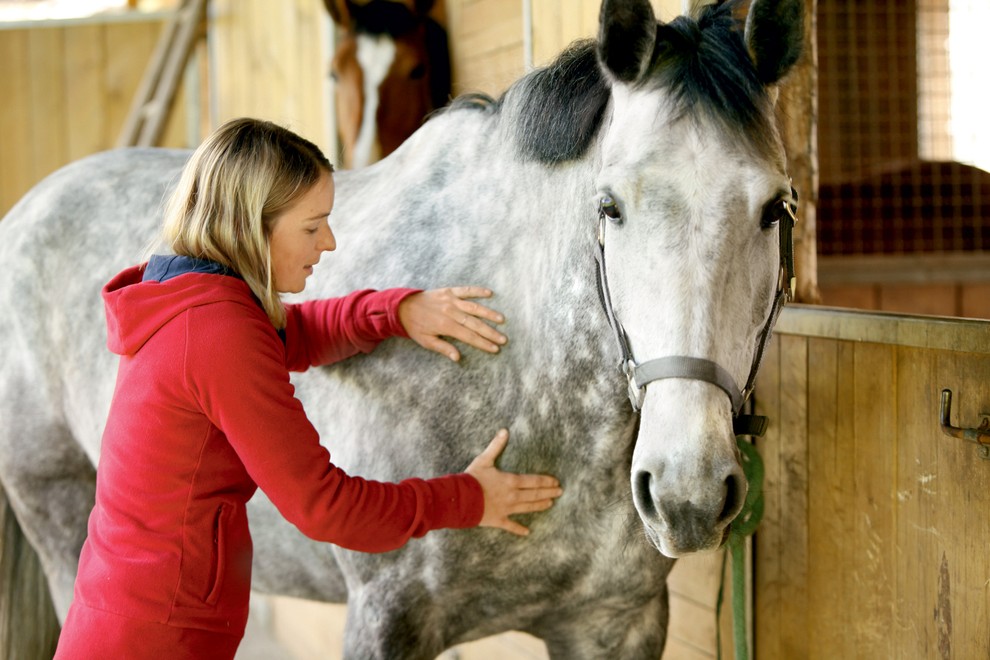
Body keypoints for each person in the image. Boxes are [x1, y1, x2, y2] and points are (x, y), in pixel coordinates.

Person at [54, 117, 563, 659]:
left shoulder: (188, 299)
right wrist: (468, 498)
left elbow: (292, 334)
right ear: (255, 224)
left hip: (128, 616)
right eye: (313, 225)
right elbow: (327, 507)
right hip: (155, 641)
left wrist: (396, 311)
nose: (329, 241)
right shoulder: (215, 334)